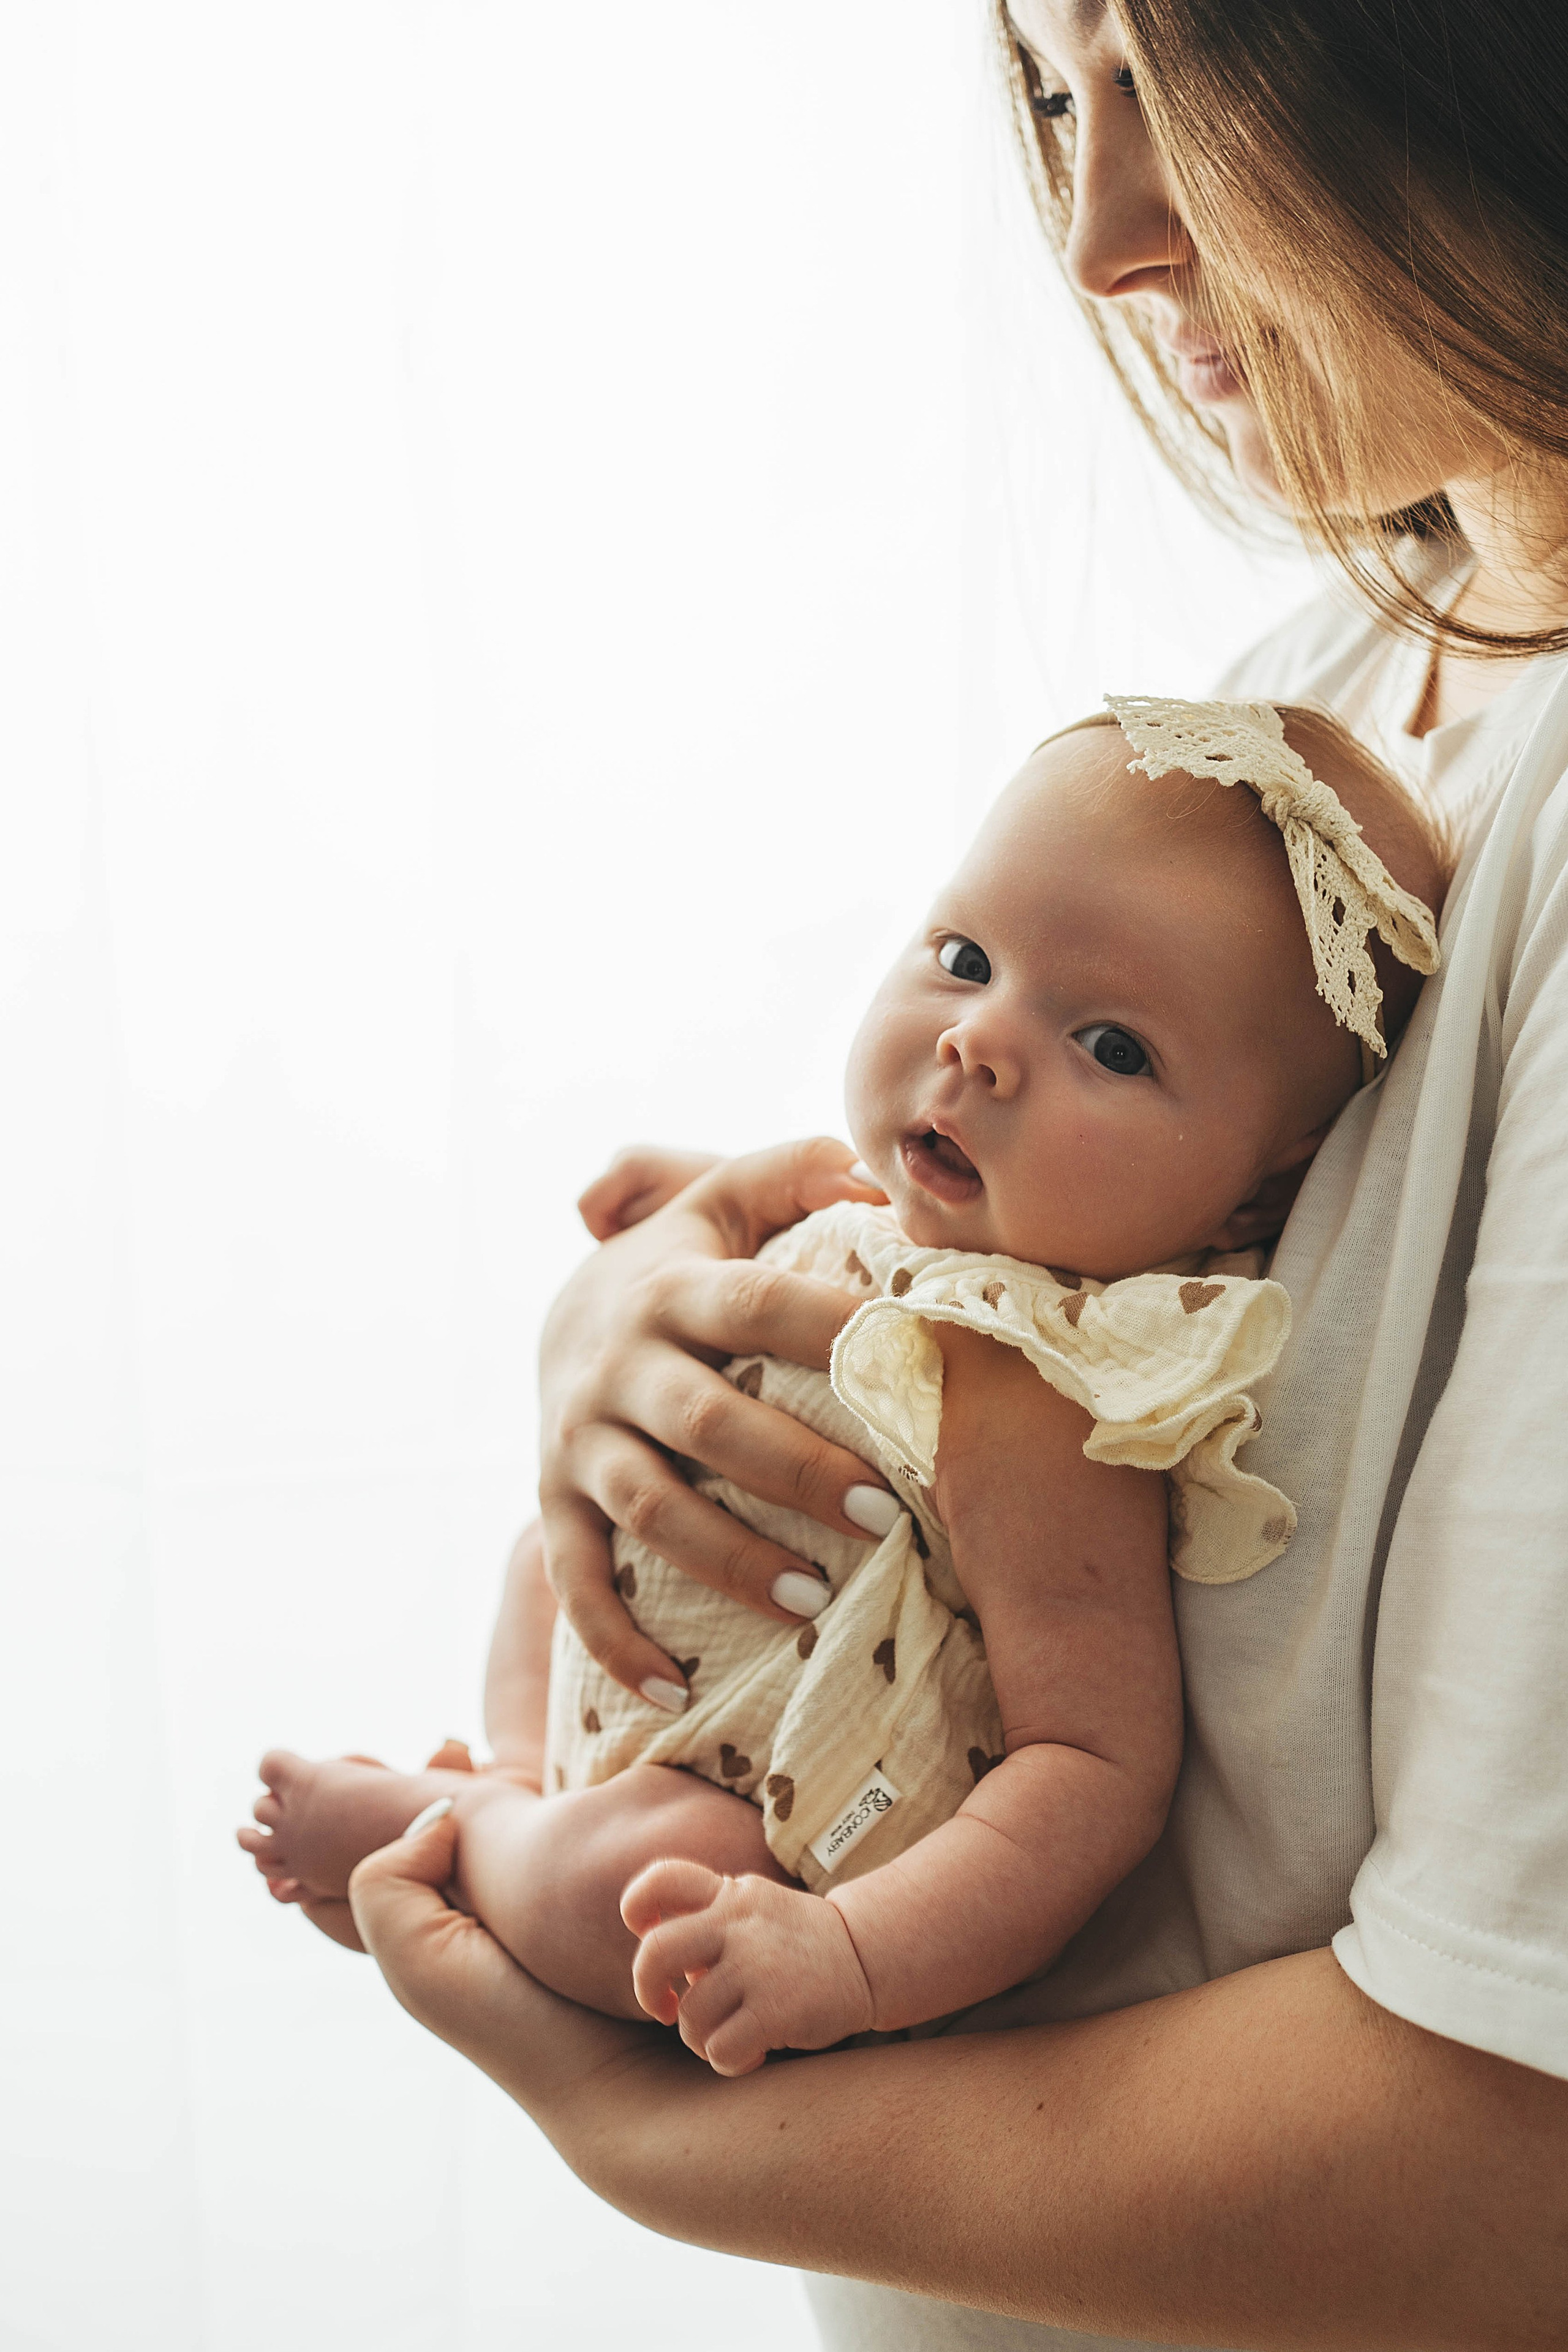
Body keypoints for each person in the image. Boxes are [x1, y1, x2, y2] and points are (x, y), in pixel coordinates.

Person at [345, 0, 1568, 2343]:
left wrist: (650, 2129)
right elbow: (1092, 1258)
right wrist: (656, 1332)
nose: (1103, 236)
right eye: (1046, 90)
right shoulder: (1344, 687)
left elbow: (1520, 2146)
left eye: (1187, 83)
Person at [241, 700, 1445, 2075]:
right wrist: (667, 1226)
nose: (976, 1042)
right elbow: (752, 1265)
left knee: (625, 1880)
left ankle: (467, 1836)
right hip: (671, 1673)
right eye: (962, 955)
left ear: (1263, 1181)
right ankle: (511, 1768)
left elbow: (1091, 1772)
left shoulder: (1046, 1393)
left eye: (1112, 1048)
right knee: (542, 1553)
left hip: (781, 1817)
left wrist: (846, 1954)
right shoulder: (901, 1214)